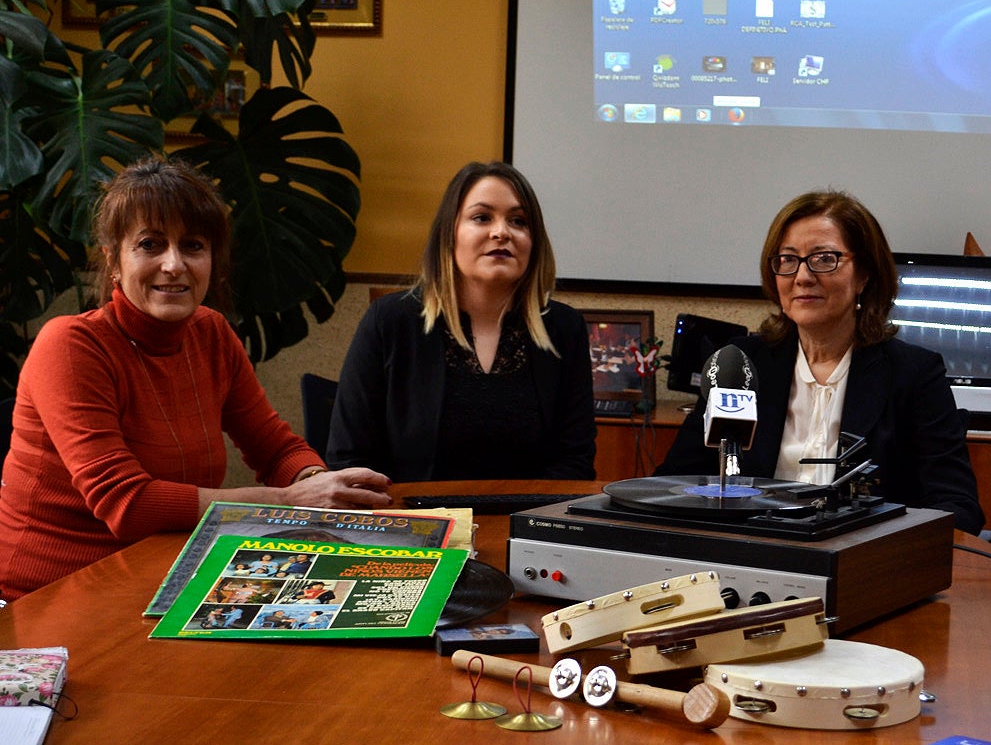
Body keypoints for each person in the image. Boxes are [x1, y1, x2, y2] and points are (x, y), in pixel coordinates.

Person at [0, 159, 392, 602]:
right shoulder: (70, 345)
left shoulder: (211, 333)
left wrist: (322, 486)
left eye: (192, 246)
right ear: (113, 260)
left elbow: (275, 447)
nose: (174, 264)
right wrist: (291, 500)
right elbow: (127, 505)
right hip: (44, 599)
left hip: (159, 579)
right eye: (150, 244)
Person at [655, 190, 985, 534]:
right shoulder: (739, 365)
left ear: (864, 275)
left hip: (864, 564)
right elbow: (672, 485)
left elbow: (956, 507)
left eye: (824, 259)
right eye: (787, 259)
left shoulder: (913, 374)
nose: (802, 276)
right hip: (750, 550)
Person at [326, 161, 597, 480]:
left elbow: (575, 462)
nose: (501, 232)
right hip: (412, 521)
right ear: (448, 234)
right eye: (482, 217)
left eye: (518, 221)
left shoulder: (564, 328)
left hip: (524, 522)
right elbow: (348, 459)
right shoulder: (390, 321)